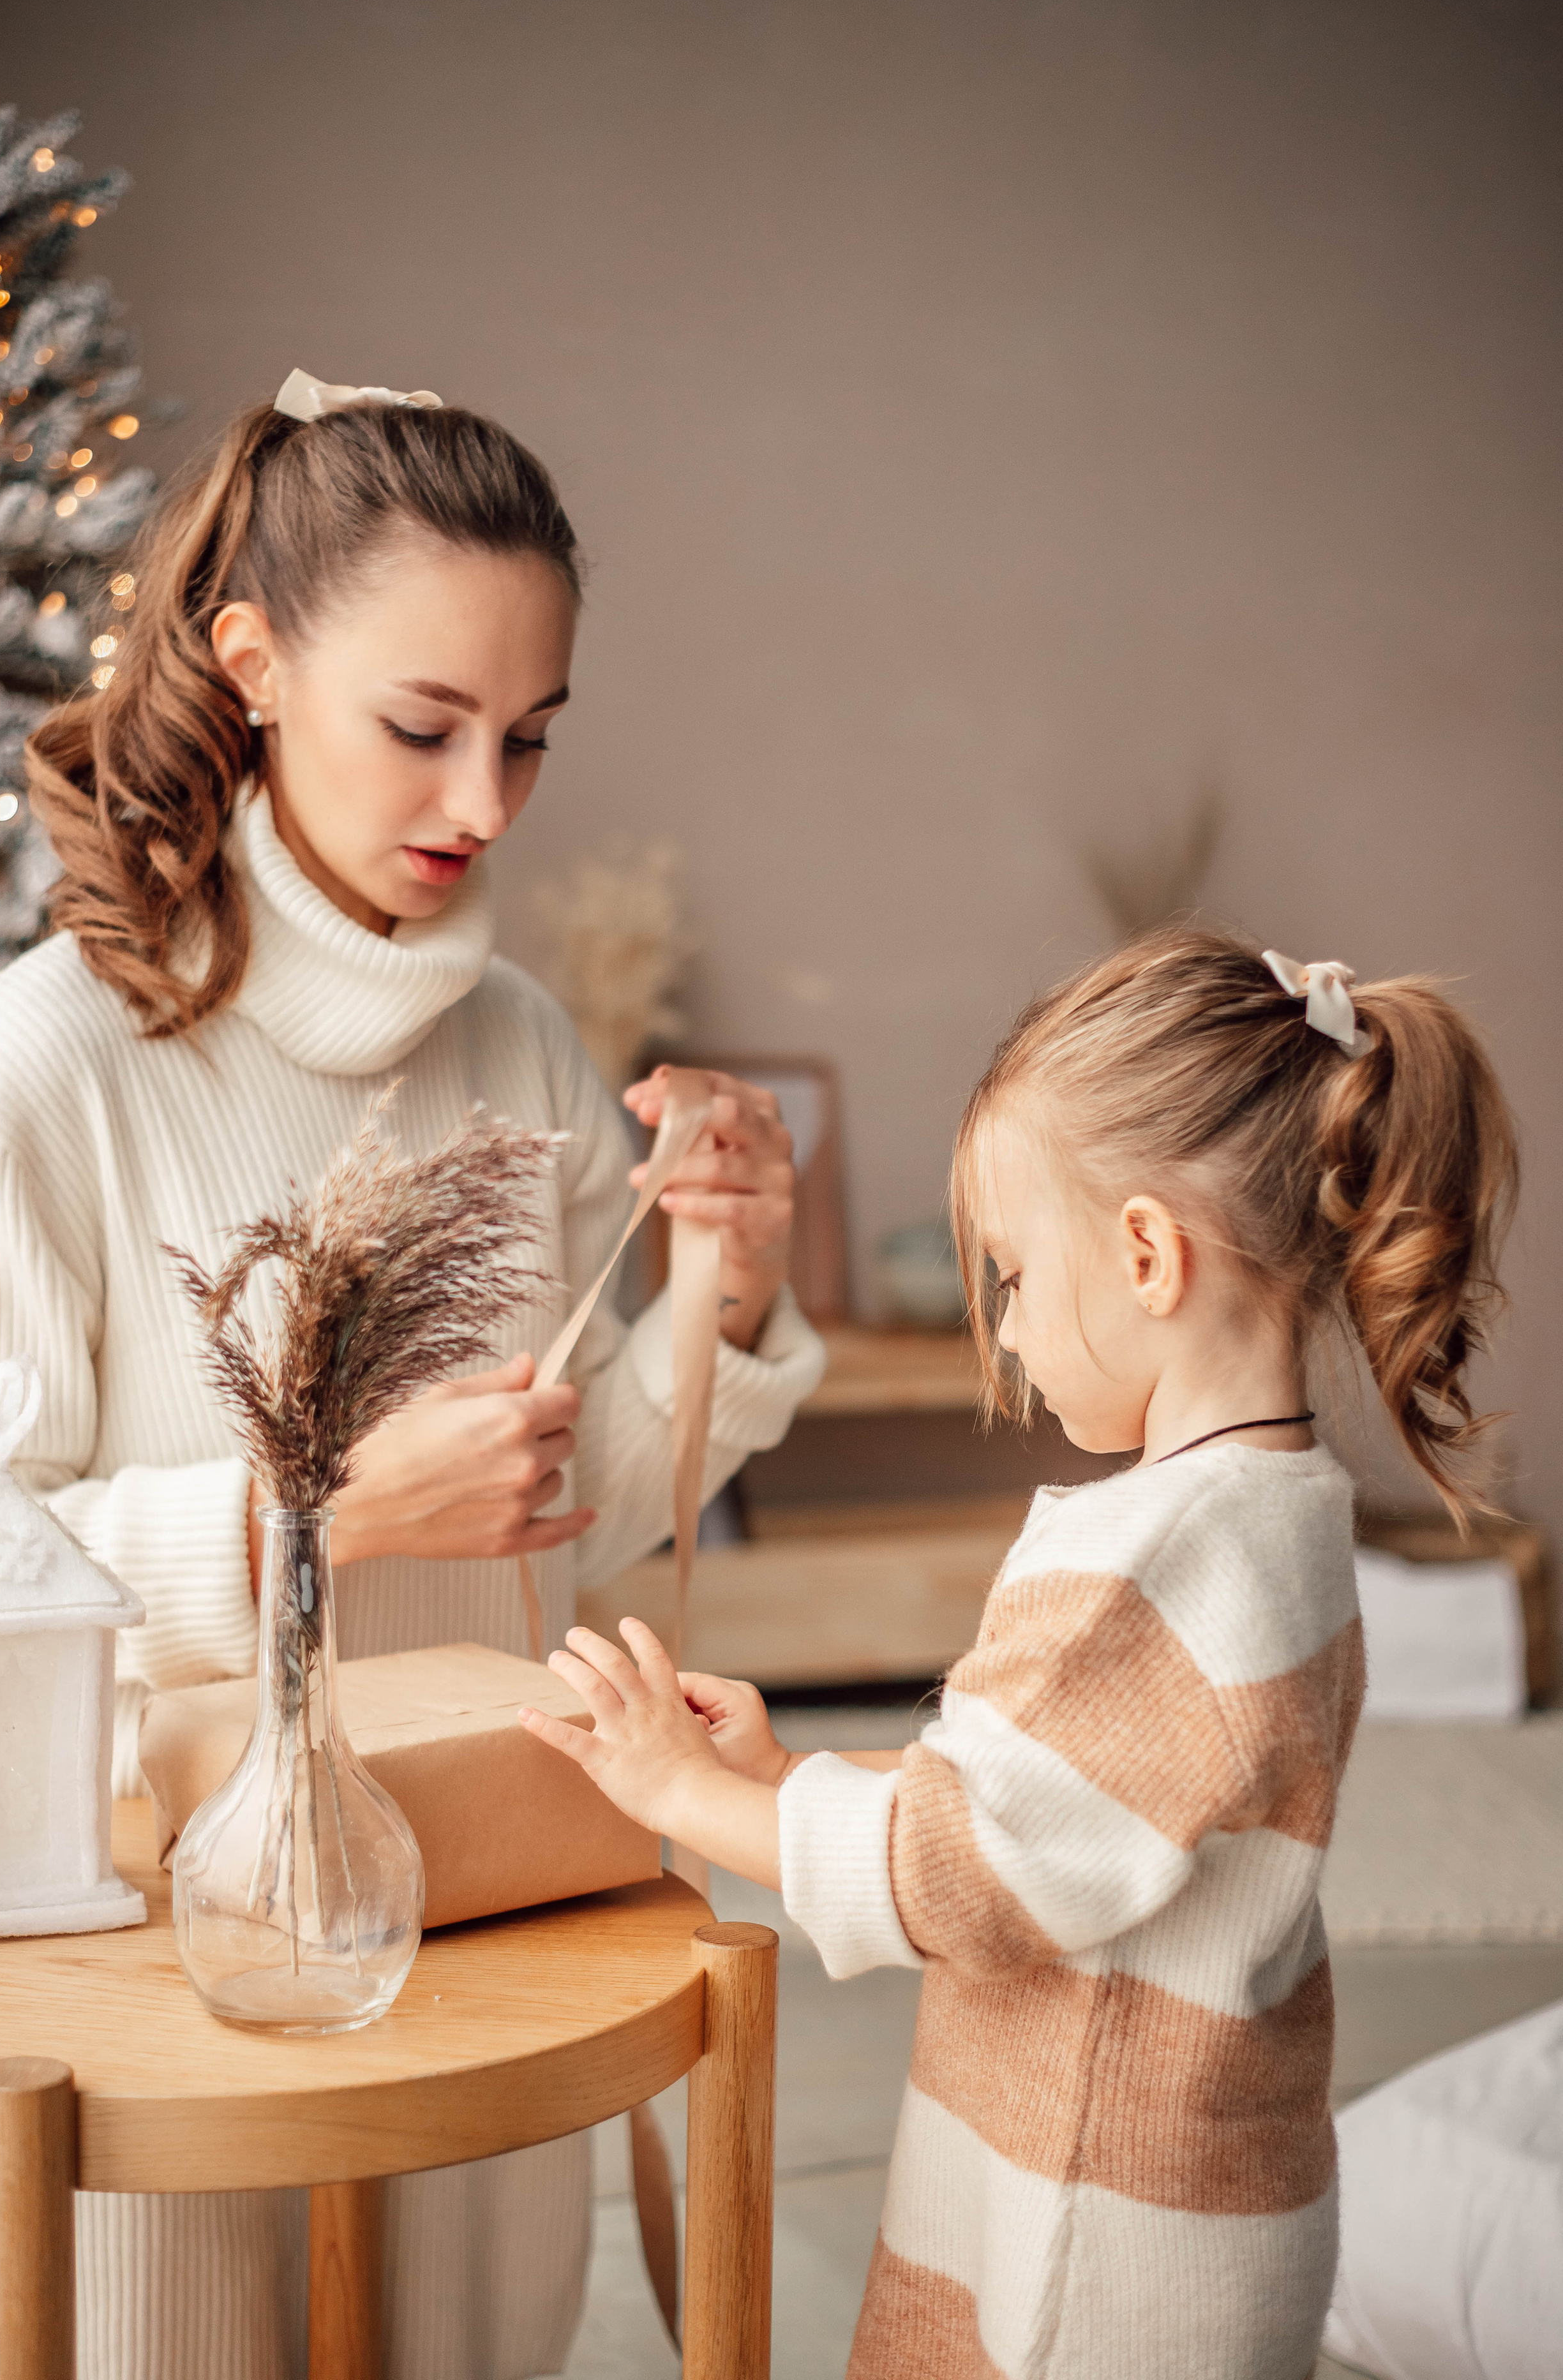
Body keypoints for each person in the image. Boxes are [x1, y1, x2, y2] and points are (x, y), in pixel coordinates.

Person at [0, 375, 825, 2379]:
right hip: (167, 1974)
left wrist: (727, 1294)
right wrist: (305, 1522)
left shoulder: (513, 1038)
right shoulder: (44, 1062)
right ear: (250, 663)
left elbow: (590, 1505)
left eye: (528, 738)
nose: (487, 804)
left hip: (485, 1911)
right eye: (424, 729)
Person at [523, 923, 1519, 2380]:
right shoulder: (1280, 1519)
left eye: (1009, 1272)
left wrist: (684, 1794)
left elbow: (956, 1873)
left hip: (1086, 2249)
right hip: (1189, 2205)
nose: (1004, 1324)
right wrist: (794, 1770)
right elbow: (1059, 1811)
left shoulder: (1151, 1565)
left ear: (1141, 1254)